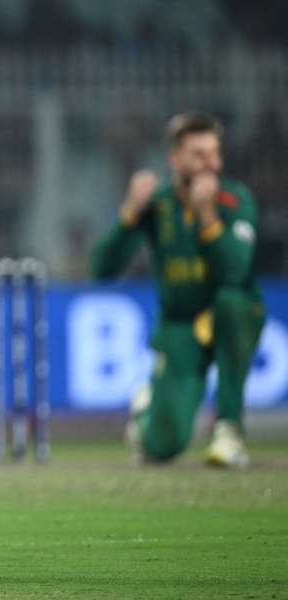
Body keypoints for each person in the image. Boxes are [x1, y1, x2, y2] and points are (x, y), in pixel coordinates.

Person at [91, 112, 265, 468]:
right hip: (180, 326)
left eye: (215, 154)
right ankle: (148, 414)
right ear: (175, 159)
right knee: (161, 448)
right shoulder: (160, 204)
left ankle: (229, 431)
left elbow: (235, 270)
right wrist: (129, 212)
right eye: (199, 155)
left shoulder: (235, 200)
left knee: (232, 301)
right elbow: (102, 268)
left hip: (229, 315)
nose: (211, 165)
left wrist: (207, 216)